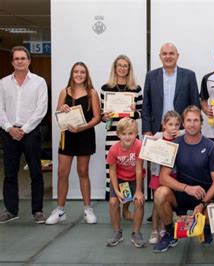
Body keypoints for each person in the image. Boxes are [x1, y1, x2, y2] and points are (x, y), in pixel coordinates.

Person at [153, 105, 214, 252]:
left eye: (195, 120)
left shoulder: (211, 147)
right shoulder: (174, 145)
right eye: (188, 120)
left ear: (201, 123)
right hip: (182, 194)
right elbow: (163, 178)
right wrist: (187, 188)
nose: (192, 124)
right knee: (160, 193)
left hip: (204, 196)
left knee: (213, 211)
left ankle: (206, 226)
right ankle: (170, 233)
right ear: (183, 123)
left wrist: (203, 204)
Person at [45, 62, 101, 225]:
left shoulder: (92, 93)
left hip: (85, 135)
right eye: (76, 72)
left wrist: (82, 128)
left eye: (82, 72)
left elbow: (97, 118)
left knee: (83, 171)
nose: (79, 74)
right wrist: (62, 109)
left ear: (86, 74)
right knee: (62, 172)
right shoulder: (64, 91)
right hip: (67, 136)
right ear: (72, 74)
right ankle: (60, 210)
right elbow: (56, 113)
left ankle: (87, 209)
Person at [0, 46, 48, 223]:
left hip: (31, 133)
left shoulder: (39, 82)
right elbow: (0, 109)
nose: (20, 61)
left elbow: (41, 109)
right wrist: (9, 128)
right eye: (17, 59)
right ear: (12, 62)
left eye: (23, 58)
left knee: (36, 172)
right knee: (10, 173)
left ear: (29, 61)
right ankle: (11, 211)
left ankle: (38, 211)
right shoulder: (3, 83)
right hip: (8, 132)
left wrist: (25, 129)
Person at [101, 55, 143, 220]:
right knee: (114, 172)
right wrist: (106, 116)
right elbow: (104, 119)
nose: (122, 68)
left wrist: (133, 111)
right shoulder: (105, 88)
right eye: (119, 65)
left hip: (131, 138)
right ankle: (115, 205)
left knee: (129, 172)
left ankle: (125, 208)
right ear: (115, 68)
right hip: (112, 136)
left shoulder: (136, 89)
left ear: (129, 68)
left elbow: (141, 113)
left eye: (125, 66)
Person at [142, 43, 200, 136]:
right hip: (157, 130)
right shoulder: (151, 76)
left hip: (182, 130)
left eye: (171, 53)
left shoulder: (189, 76)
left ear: (177, 56)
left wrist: (193, 128)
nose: (168, 56)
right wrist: (147, 130)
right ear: (160, 56)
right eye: (164, 54)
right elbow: (146, 106)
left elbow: (195, 105)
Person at [105, 117, 145, 247]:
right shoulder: (113, 150)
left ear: (136, 133)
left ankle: (136, 233)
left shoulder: (139, 145)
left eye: (131, 133)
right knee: (113, 202)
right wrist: (116, 191)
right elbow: (112, 171)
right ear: (118, 134)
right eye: (124, 134)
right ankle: (117, 232)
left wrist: (138, 191)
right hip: (120, 179)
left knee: (138, 201)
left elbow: (139, 168)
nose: (127, 137)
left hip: (134, 178)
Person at [148, 110, 182, 245]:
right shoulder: (157, 136)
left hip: (173, 175)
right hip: (157, 174)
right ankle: (154, 230)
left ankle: (164, 228)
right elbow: (147, 147)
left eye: (177, 124)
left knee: (165, 202)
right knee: (157, 204)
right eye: (170, 124)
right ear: (164, 124)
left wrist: (181, 135)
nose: (174, 127)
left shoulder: (180, 137)